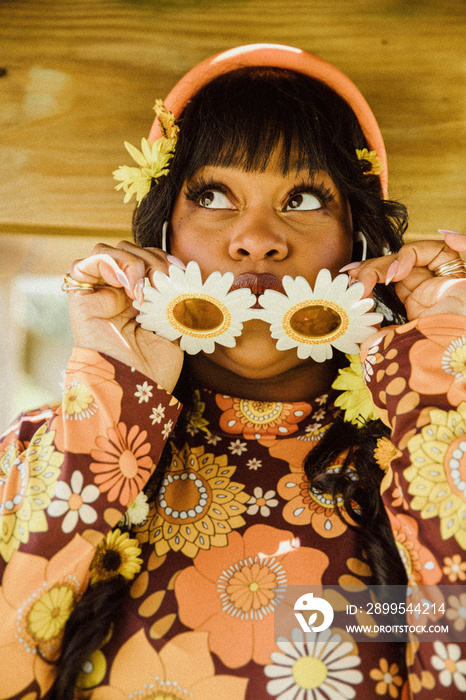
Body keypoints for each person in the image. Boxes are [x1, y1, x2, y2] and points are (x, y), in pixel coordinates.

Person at [1, 43, 466, 700]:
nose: (256, 236)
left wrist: (439, 389)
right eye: (214, 194)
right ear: (162, 239)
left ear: (359, 248)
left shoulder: (430, 446)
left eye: (303, 197)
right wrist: (108, 417)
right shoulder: (35, 456)